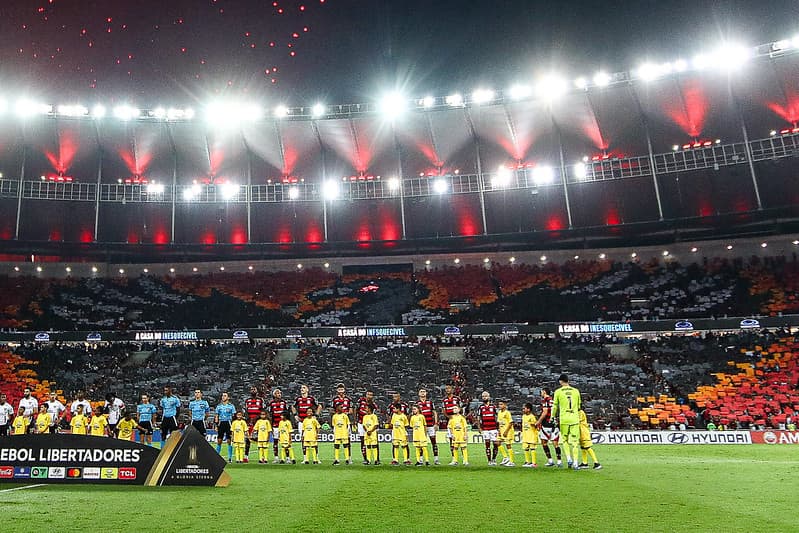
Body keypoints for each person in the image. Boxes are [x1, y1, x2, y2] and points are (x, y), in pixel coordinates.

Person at [551, 374, 581, 470]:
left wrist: (552, 417)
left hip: (564, 419)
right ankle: (575, 462)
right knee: (575, 442)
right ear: (568, 381)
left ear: (560, 381)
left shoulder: (558, 392)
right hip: (574, 419)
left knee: (564, 440)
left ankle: (568, 459)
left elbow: (555, 406)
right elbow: (579, 406)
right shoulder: (576, 391)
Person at [537, 388, 562, 467]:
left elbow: (545, 412)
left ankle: (550, 460)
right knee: (555, 444)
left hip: (546, 424)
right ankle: (559, 461)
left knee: (544, 442)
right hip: (554, 423)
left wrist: (538, 422)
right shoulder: (553, 400)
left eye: (541, 392)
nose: (541, 393)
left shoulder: (545, 400)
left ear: (544, 392)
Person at [417, 388, 440, 465]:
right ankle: (420, 459)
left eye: (424, 392)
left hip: (430, 425)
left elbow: (434, 413)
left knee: (434, 442)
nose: (422, 393)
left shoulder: (430, 402)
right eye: (421, 392)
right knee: (421, 443)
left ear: (426, 393)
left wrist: (436, 423)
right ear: (419, 394)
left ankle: (436, 459)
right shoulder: (417, 403)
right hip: (421, 427)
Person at [477, 391, 500, 466]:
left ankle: (494, 459)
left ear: (489, 397)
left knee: (495, 444)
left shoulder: (493, 407)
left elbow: (497, 417)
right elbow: (478, 418)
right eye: (483, 396)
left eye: (486, 396)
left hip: (493, 428)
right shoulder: (481, 407)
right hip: (485, 429)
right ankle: (489, 461)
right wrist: (479, 428)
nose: (484, 397)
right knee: (487, 444)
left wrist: (499, 427)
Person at [356, 390, 379, 464]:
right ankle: (365, 458)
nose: (369, 396)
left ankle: (376, 458)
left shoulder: (374, 405)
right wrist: (354, 421)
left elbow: (376, 414)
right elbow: (356, 410)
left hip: (371, 425)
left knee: (375, 441)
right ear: (366, 395)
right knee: (363, 441)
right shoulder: (361, 401)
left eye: (371, 395)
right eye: (368, 394)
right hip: (361, 423)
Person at [387, 392, 410, 462]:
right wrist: (390, 424)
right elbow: (388, 415)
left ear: (399, 397)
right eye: (394, 397)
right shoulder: (390, 406)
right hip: (395, 429)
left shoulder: (405, 405)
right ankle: (395, 459)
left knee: (405, 444)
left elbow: (408, 415)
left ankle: (407, 459)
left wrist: (405, 426)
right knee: (395, 444)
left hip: (402, 428)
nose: (395, 398)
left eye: (396, 397)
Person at [244, 386, 264, 462]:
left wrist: (257, 418)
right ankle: (246, 456)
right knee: (248, 439)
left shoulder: (260, 400)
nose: (253, 391)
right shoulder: (247, 400)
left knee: (260, 439)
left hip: (258, 422)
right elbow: (246, 411)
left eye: (254, 389)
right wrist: (248, 420)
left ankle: (261, 457)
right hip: (249, 422)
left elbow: (263, 410)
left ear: (257, 391)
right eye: (251, 389)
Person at [442, 385, 462, 461]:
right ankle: (454, 458)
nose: (448, 390)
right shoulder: (444, 400)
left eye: (449, 388)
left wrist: (458, 416)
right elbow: (444, 410)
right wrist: (448, 417)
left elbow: (461, 409)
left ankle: (464, 458)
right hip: (450, 422)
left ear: (452, 389)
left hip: (458, 421)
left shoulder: (457, 398)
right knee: (451, 439)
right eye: (446, 388)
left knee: (461, 439)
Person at [269, 389, 289, 463]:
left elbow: (287, 414)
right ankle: (276, 458)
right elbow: (270, 415)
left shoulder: (284, 403)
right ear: (274, 395)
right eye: (277, 393)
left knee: (285, 442)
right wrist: (271, 426)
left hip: (283, 425)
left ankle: (287, 458)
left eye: (280, 393)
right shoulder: (271, 403)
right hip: (275, 425)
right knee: (275, 441)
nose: (279, 394)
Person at [215, 392, 236, 463]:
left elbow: (233, 417)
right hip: (221, 423)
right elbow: (217, 416)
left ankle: (230, 458)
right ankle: (216, 457)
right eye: (222, 396)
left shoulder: (231, 406)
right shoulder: (219, 406)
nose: (223, 397)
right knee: (219, 440)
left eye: (225, 396)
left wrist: (233, 426)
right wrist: (216, 425)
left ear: (228, 397)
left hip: (228, 423)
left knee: (229, 440)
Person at [497, 400, 516, 467]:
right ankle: (505, 457)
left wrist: (506, 431)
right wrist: (499, 430)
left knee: (508, 445)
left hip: (508, 431)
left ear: (505, 405)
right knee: (497, 443)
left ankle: (511, 462)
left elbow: (511, 423)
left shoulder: (507, 413)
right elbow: (499, 422)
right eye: (499, 404)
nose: (500, 406)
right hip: (501, 431)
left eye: (501, 404)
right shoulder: (499, 412)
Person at [521, 402, 539, 468]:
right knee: (525, 448)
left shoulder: (532, 417)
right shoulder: (523, 416)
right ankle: (527, 462)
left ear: (528, 409)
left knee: (532, 448)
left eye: (524, 408)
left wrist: (534, 424)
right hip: (525, 435)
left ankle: (534, 463)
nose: (523, 410)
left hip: (532, 435)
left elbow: (536, 425)